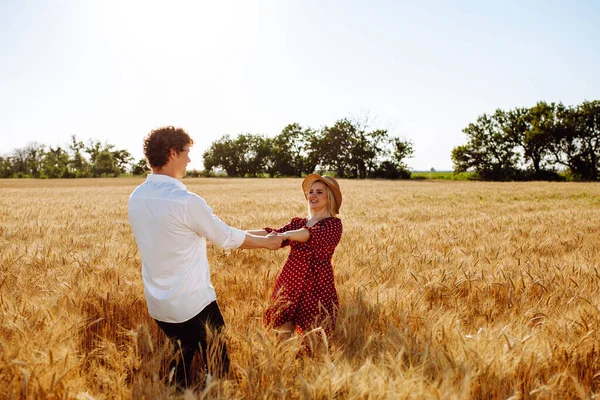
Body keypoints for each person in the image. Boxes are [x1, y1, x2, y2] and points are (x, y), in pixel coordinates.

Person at [127, 126, 283, 389]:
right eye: (187, 153)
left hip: (159, 304)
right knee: (219, 369)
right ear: (172, 152)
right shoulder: (185, 201)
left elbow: (218, 231)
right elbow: (225, 237)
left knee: (181, 364)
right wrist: (267, 244)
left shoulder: (136, 197)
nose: (189, 159)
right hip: (194, 303)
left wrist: (266, 232)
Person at [249, 174, 343, 340]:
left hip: (316, 286)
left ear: (330, 198)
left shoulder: (333, 224)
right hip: (290, 280)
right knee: (280, 332)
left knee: (312, 335)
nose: (312, 195)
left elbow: (309, 235)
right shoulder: (299, 222)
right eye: (311, 191)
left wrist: (285, 235)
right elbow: (274, 233)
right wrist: (237, 234)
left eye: (319, 192)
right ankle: (282, 363)